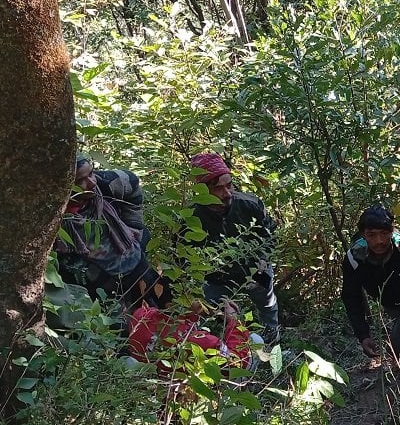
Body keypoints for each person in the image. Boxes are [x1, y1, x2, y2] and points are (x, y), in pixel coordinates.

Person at [187, 152, 281, 344]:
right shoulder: (191, 217)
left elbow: (270, 233)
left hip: (255, 269)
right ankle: (229, 352)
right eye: (218, 189)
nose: (227, 193)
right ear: (203, 190)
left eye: (229, 185)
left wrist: (262, 261)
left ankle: (273, 346)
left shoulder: (250, 204)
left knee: (268, 307)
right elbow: (184, 259)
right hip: (215, 280)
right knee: (213, 319)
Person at [54, 156, 159, 308]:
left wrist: (134, 228)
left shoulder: (105, 185)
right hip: (100, 289)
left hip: (138, 267)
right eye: (79, 181)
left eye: (91, 174)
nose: (91, 182)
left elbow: (132, 182)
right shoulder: (53, 218)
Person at [341, 205, 400, 365]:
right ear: (363, 235)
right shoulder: (355, 258)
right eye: (372, 235)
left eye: (384, 234)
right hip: (387, 302)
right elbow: (352, 298)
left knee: (396, 346)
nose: (379, 241)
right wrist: (363, 335)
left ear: (392, 232)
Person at [128, 298, 256, 372]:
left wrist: (195, 313)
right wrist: (234, 321)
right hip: (180, 392)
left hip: (151, 378)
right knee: (255, 340)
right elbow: (237, 361)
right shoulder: (200, 342)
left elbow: (170, 317)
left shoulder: (141, 316)